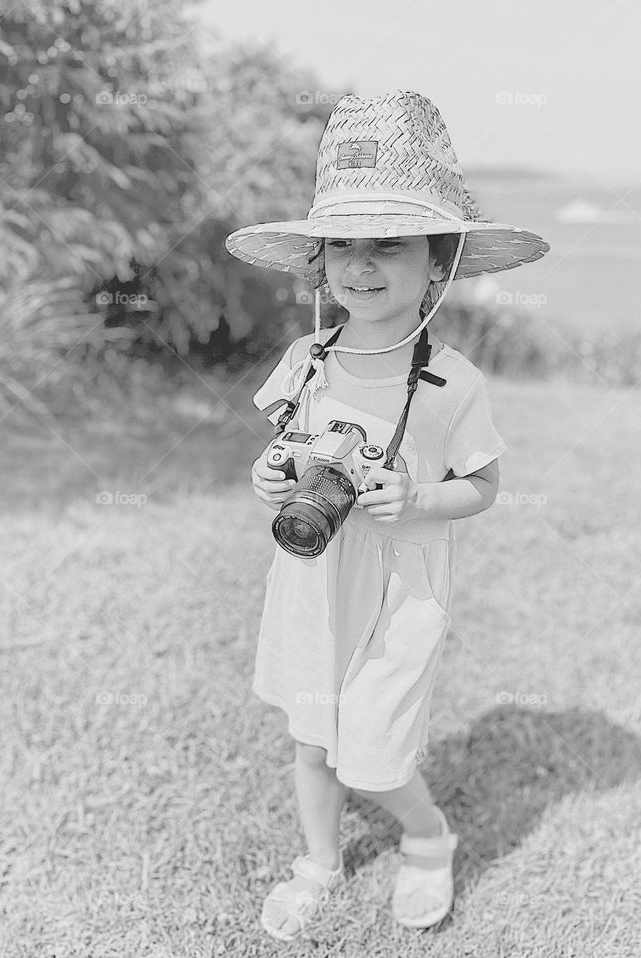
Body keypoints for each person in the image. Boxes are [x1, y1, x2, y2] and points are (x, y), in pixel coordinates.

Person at [224, 90, 548, 941]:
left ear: (436, 267)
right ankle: (318, 863)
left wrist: (414, 496)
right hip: (311, 577)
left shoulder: (454, 382)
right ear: (319, 263)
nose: (362, 267)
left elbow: (484, 487)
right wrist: (268, 477)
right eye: (344, 248)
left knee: (370, 743)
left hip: (401, 590)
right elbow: (280, 454)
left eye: (390, 247)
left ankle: (430, 837)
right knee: (311, 733)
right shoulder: (307, 359)